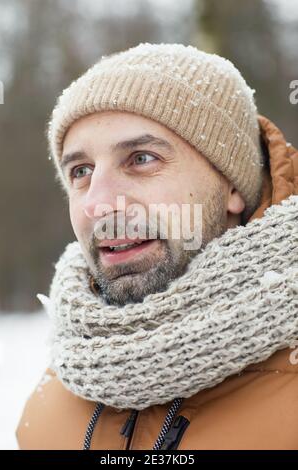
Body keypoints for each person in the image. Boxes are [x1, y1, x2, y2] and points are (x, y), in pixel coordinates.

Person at [17, 43, 298, 450]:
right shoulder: (56, 393)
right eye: (81, 171)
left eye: (141, 159)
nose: (97, 203)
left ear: (233, 183)